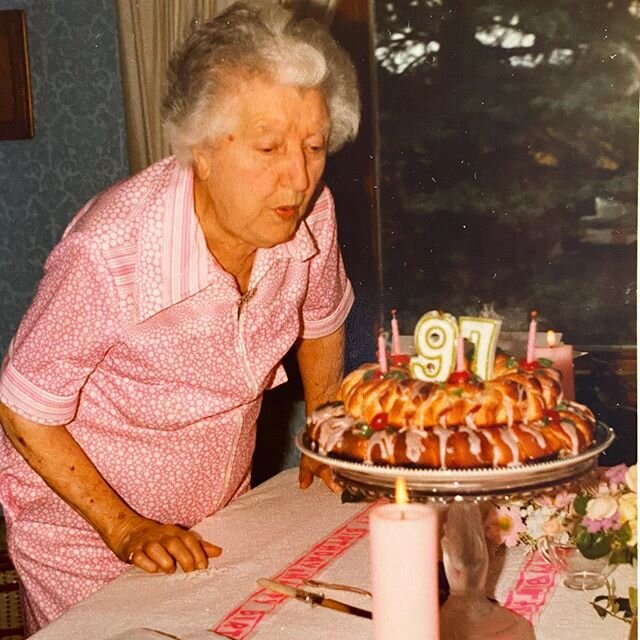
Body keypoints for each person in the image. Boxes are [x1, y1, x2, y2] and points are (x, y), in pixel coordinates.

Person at [0, 2, 360, 633]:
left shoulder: (313, 216)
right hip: (87, 534)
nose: (298, 177)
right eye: (269, 146)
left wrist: (325, 425)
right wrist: (125, 528)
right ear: (200, 147)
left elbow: (322, 317)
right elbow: (23, 404)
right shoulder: (112, 251)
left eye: (313, 145)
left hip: (218, 513)